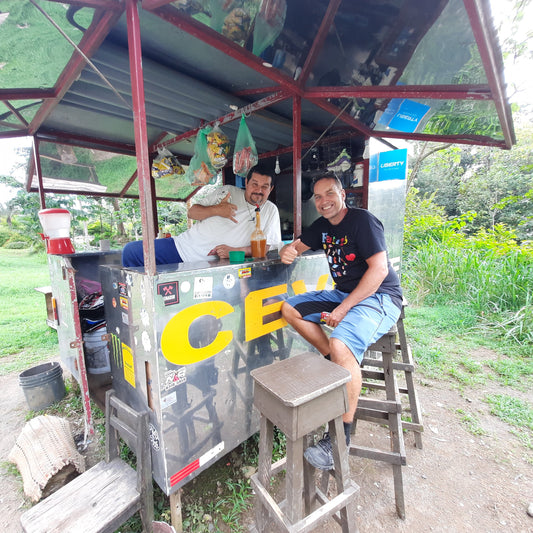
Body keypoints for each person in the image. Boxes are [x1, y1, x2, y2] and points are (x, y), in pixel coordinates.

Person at [279, 173, 403, 470]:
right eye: (318, 197)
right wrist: (287, 251)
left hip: (379, 296)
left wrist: (345, 307)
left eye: (329, 194)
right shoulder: (322, 227)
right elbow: (296, 247)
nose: (324, 202)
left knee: (341, 341)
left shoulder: (363, 221)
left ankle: (338, 441)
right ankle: (336, 363)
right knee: (289, 310)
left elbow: (379, 270)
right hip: (343, 293)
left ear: (342, 193)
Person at [122, 162, 281, 267]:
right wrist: (217, 209)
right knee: (131, 251)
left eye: (264, 186)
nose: (259, 190)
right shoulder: (227, 191)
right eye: (255, 184)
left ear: (271, 189)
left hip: (211, 263)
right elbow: (192, 212)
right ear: (246, 183)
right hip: (182, 248)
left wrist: (235, 250)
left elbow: (265, 248)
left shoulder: (270, 211)